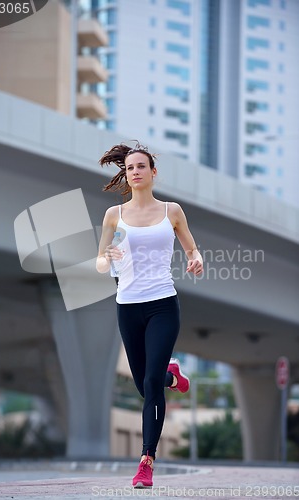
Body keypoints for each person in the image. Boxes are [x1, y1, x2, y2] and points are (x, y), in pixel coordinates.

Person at [96, 142, 203, 488]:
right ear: (125, 175)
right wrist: (106, 259)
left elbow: (191, 247)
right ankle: (173, 376)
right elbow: (100, 260)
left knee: (150, 383)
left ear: (153, 172)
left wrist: (196, 258)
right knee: (148, 385)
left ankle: (146, 462)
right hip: (127, 306)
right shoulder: (115, 215)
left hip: (162, 304)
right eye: (130, 168)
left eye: (141, 166)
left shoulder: (171, 211)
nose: (136, 172)